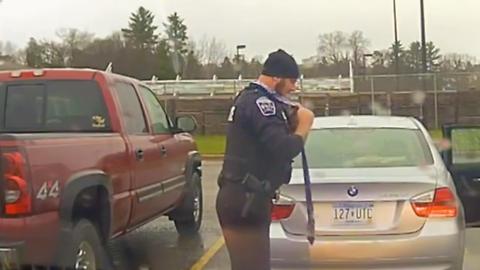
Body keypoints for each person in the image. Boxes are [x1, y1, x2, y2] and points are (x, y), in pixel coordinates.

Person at [216, 49, 314, 270]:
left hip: (240, 196)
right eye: (291, 80)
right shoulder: (262, 104)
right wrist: (304, 126)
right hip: (246, 199)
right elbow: (282, 148)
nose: (293, 87)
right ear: (276, 77)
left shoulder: (250, 99)